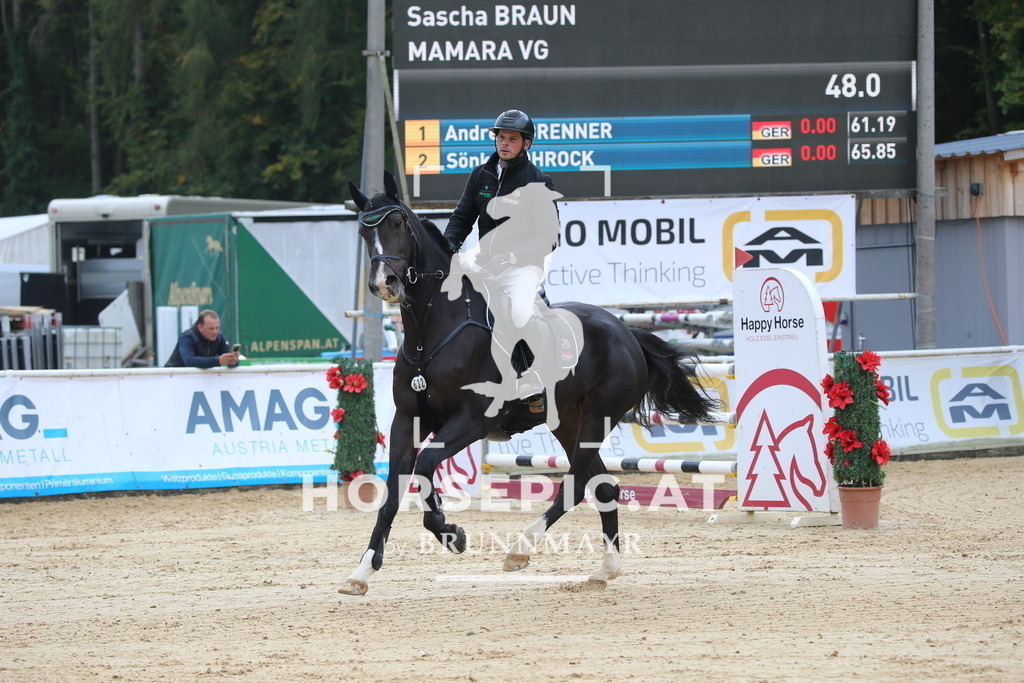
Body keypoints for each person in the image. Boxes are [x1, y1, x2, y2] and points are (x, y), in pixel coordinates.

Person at [443, 109, 559, 405]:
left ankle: (534, 377)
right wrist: (448, 245)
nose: (504, 143)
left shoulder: (538, 182)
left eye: (511, 139)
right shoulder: (480, 175)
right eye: (500, 137)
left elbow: (549, 237)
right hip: (485, 260)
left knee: (520, 310)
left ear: (526, 144)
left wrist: (510, 258)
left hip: (523, 265)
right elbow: (461, 217)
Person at [164, 310, 240, 368]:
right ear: (199, 327)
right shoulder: (187, 337)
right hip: (172, 379)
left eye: (217, 328)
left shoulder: (219, 337)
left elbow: (230, 363)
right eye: (211, 328)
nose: (215, 332)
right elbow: (189, 361)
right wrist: (217, 361)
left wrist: (232, 360)